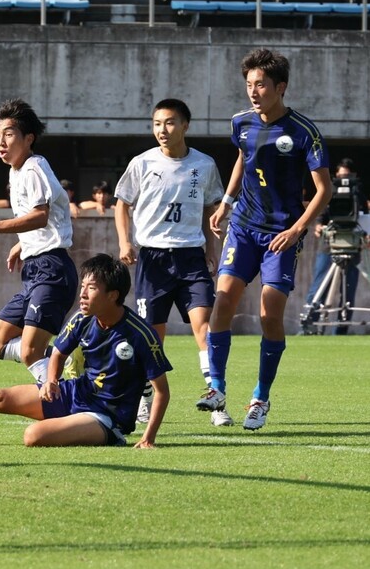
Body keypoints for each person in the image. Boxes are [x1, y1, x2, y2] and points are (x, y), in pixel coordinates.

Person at [0, 254, 173, 448]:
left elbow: (161, 390)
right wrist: (51, 380)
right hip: (76, 394)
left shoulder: (140, 334)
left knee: (33, 436)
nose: (83, 294)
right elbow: (59, 354)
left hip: (106, 418)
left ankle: (104, 434)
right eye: (83, 286)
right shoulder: (81, 319)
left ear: (113, 295)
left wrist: (148, 438)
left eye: (92, 288)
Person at [197, 48, 332, 431]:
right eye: (249, 85)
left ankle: (260, 397)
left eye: (261, 85)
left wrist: (296, 230)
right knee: (222, 300)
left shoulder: (304, 132)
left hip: (281, 234)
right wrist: (225, 202)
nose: (253, 91)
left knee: (268, 314)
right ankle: (217, 388)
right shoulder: (241, 122)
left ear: (280, 87)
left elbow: (324, 190)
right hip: (243, 225)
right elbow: (244, 156)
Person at [114, 98, 230, 426]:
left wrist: (211, 247)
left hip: (191, 257)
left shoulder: (204, 165)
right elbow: (122, 204)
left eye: (169, 123)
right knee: (152, 337)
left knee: (205, 327)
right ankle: (145, 397)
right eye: (156, 124)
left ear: (185, 126)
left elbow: (211, 208)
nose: (162, 130)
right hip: (153, 259)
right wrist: (125, 241)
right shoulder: (141, 163)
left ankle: (216, 396)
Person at [0, 98, 77, 383]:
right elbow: (42, 222)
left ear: (29, 138)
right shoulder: (17, 172)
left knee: (29, 352)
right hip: (35, 269)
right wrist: (22, 243)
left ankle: (65, 396)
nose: (1, 141)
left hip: (52, 270)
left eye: (9, 134)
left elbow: (40, 216)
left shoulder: (34, 167)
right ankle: (66, 359)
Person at [302, 159, 368, 335]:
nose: (343, 179)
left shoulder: (359, 195)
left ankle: (340, 331)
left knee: (348, 292)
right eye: (340, 176)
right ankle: (309, 327)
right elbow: (320, 215)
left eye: (347, 175)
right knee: (319, 288)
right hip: (329, 247)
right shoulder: (329, 192)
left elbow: (364, 218)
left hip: (353, 246)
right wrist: (318, 226)